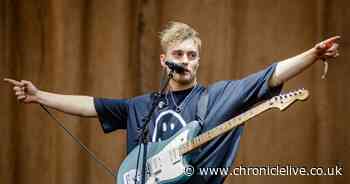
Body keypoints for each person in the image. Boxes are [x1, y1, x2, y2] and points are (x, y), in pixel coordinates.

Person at [4, 21, 340, 183]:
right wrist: (39, 96)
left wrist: (312, 55)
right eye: (178, 54)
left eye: (192, 55)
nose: (186, 60)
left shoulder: (217, 98)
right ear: (165, 61)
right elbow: (92, 105)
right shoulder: (142, 106)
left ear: (198, 61)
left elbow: (270, 75)